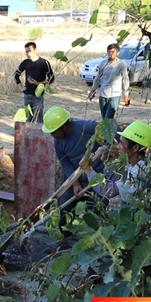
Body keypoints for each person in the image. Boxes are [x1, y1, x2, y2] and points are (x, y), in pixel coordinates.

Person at [41, 107, 105, 250]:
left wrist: (108, 147)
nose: (51, 134)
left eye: (53, 130)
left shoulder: (86, 127)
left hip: (96, 175)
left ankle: (99, 244)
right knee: (65, 207)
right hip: (75, 176)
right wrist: (75, 184)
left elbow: (107, 128)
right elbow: (65, 163)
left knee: (96, 209)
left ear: (64, 126)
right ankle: (63, 240)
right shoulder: (58, 141)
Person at [82, 121, 151, 205]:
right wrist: (108, 161)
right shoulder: (134, 164)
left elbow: (109, 191)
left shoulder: (138, 172)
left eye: (121, 143)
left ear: (135, 148)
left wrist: (88, 170)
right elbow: (116, 180)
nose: (118, 147)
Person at [14, 42, 55, 123]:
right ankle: (28, 135)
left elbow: (51, 79)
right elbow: (16, 75)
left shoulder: (44, 63)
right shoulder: (25, 63)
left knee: (39, 119)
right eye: (26, 51)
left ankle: (39, 135)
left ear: (35, 50)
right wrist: (21, 87)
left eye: (30, 51)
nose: (28, 54)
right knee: (28, 119)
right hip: (27, 95)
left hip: (38, 96)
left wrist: (39, 83)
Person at [89, 43, 130, 120]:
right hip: (103, 94)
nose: (110, 54)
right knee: (104, 118)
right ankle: (109, 131)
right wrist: (93, 89)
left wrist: (126, 94)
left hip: (115, 95)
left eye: (112, 52)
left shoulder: (121, 64)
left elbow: (125, 79)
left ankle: (107, 131)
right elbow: (97, 77)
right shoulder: (103, 63)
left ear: (118, 53)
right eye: (109, 52)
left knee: (108, 118)